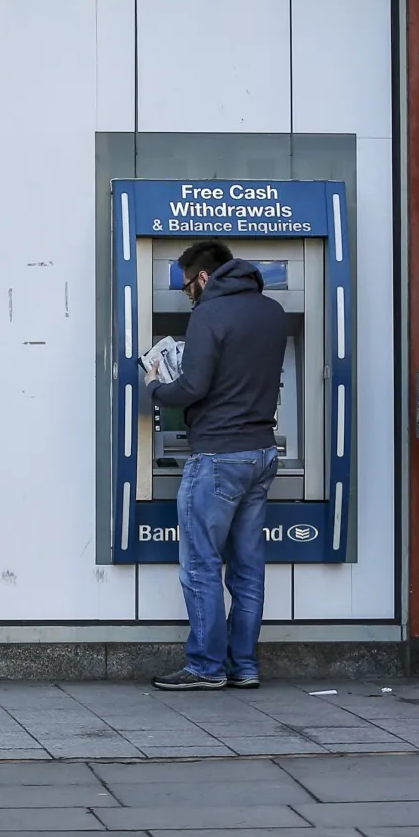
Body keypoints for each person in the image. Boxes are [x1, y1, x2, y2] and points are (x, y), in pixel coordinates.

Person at [146, 239, 287, 691]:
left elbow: (193, 386)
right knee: (248, 568)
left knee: (202, 565)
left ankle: (206, 667)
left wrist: (155, 386)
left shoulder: (209, 313)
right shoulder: (272, 312)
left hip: (219, 456)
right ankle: (243, 665)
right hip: (262, 453)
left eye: (188, 287)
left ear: (203, 277)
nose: (189, 296)